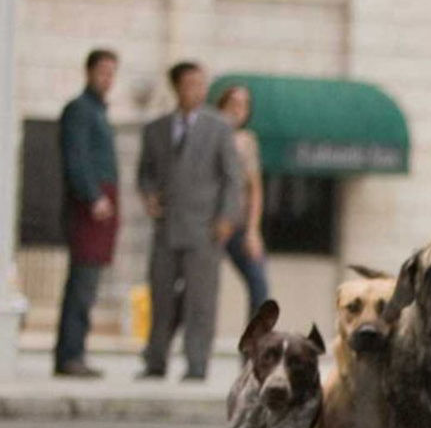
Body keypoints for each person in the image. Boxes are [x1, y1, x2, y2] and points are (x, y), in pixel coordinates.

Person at [137, 61, 242, 382]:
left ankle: (197, 365)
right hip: (166, 227)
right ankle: (156, 361)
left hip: (205, 228)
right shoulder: (155, 129)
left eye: (201, 83)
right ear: (177, 87)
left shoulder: (219, 127)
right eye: (190, 84)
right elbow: (145, 173)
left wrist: (226, 218)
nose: (197, 90)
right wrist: (149, 194)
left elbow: (232, 178)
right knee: (161, 297)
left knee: (200, 301)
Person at [54, 48, 122, 379]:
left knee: (88, 284)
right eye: (103, 72)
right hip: (88, 210)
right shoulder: (79, 110)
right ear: (89, 71)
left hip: (101, 209)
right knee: (82, 284)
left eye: (112, 73)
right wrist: (94, 196)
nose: (108, 79)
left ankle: (74, 352)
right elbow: (76, 158)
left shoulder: (99, 111)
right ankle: (70, 354)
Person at [214, 83, 269, 311]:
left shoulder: (247, 142)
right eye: (233, 104)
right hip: (212, 223)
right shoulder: (209, 137)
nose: (238, 110)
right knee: (196, 285)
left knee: (259, 284)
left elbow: (254, 188)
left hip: (239, 224)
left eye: (244, 105)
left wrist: (252, 231)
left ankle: (254, 342)